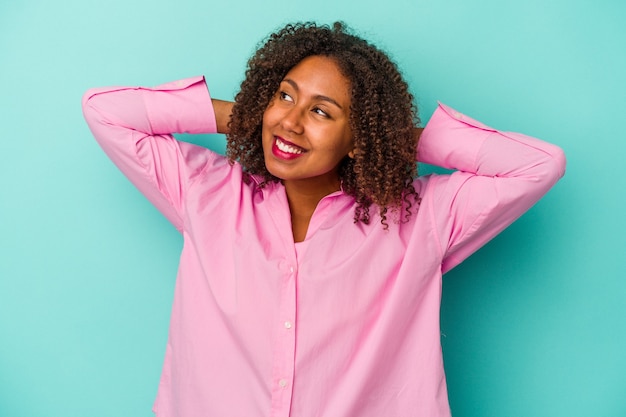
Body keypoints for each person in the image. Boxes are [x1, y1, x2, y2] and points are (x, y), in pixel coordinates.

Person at [82, 22, 565, 417]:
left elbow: (539, 164)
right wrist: (249, 114)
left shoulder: (421, 218)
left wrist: (387, 137)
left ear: (359, 138)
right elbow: (103, 111)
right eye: (285, 97)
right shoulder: (206, 192)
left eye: (321, 111)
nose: (290, 122)